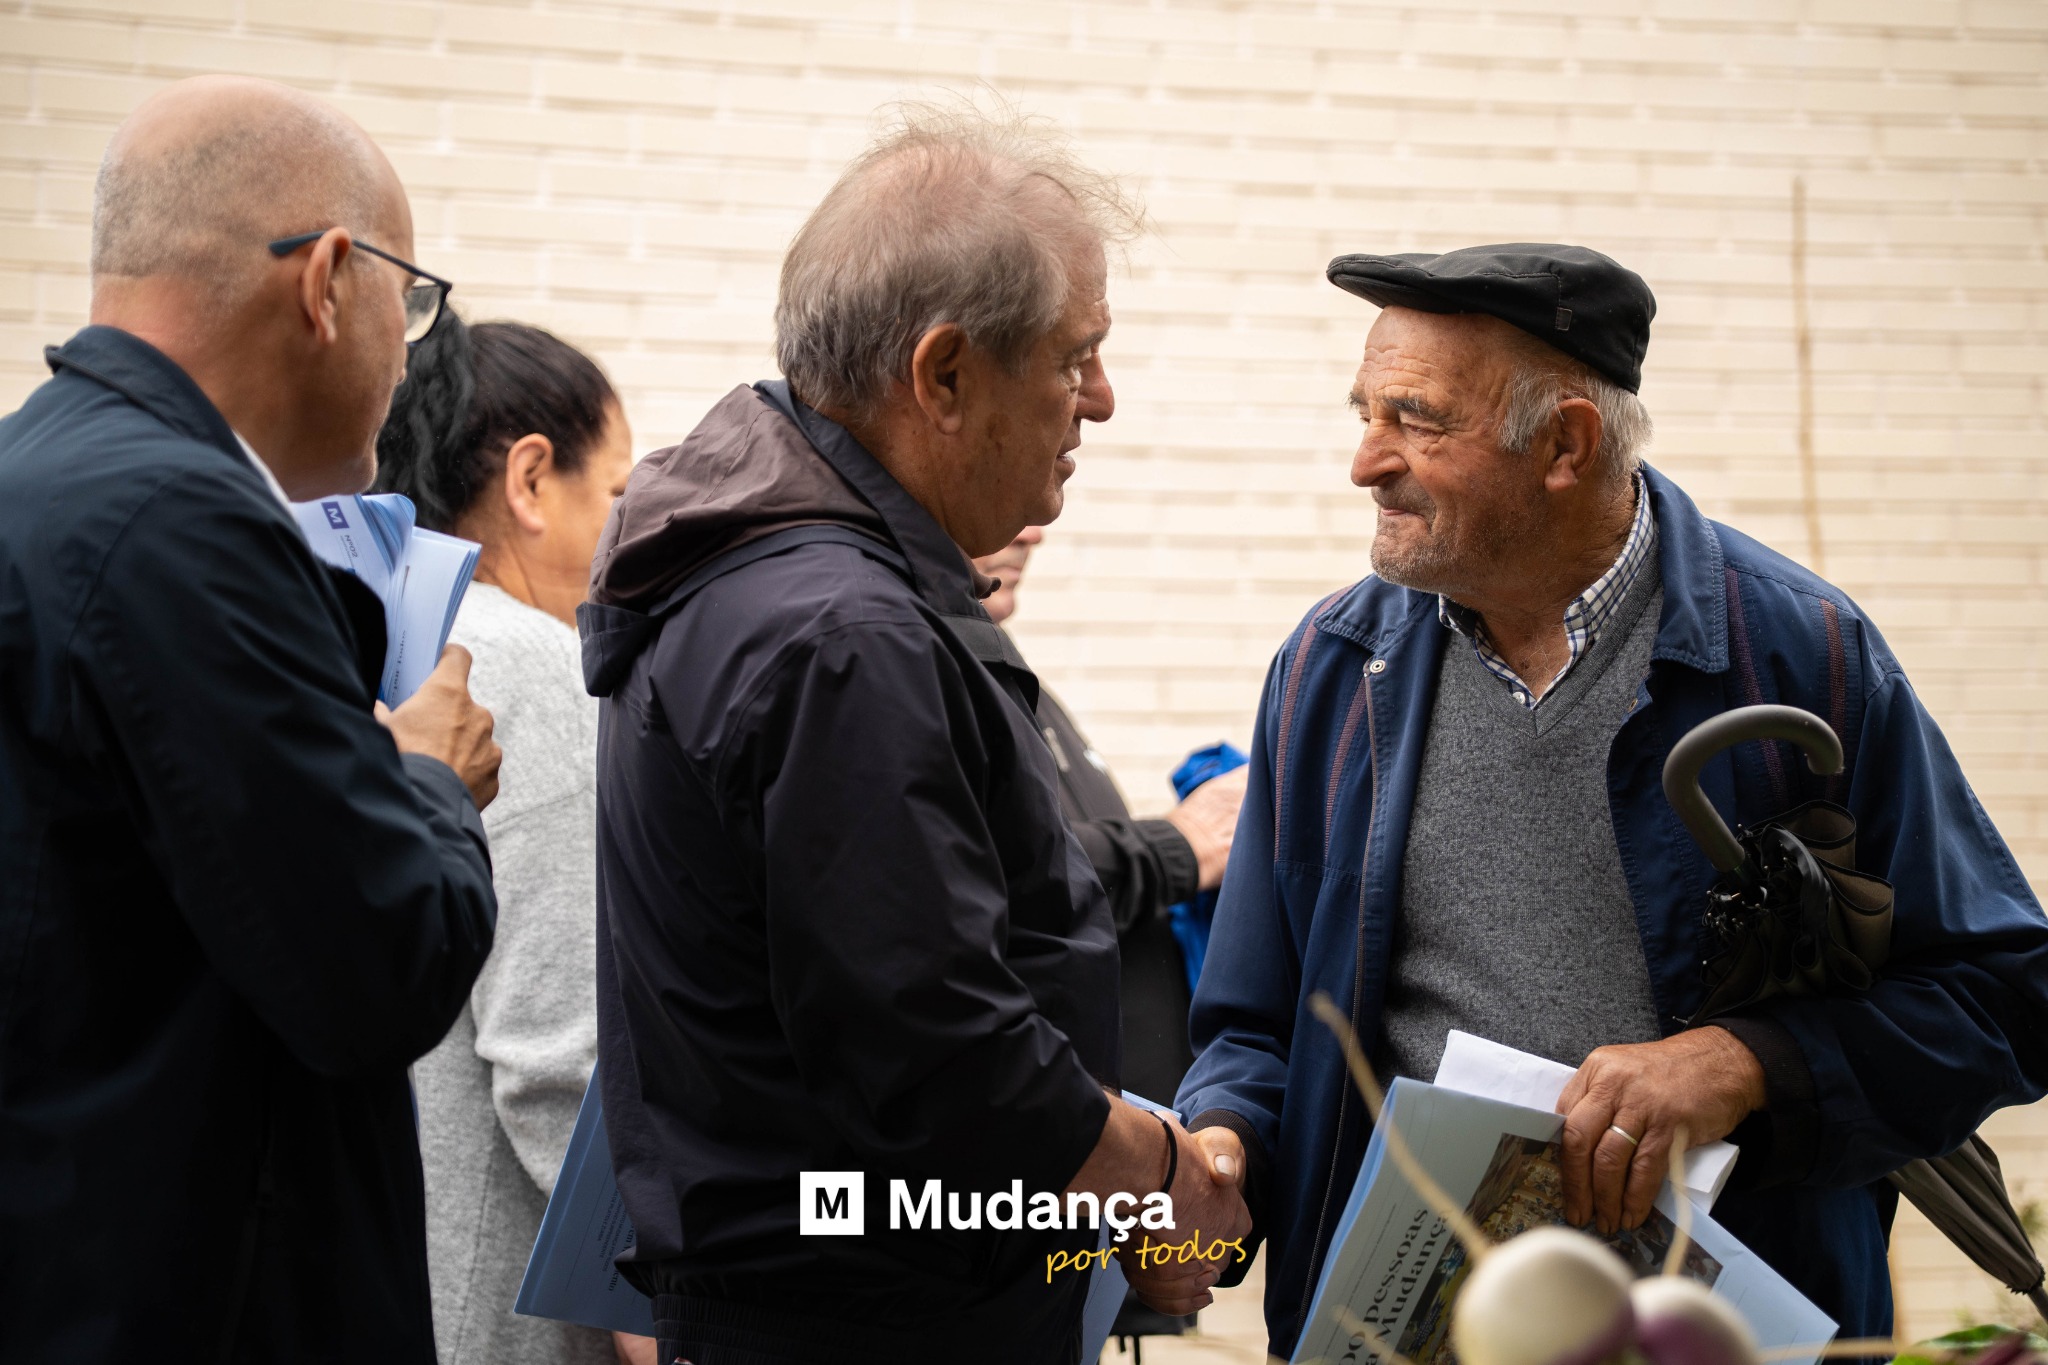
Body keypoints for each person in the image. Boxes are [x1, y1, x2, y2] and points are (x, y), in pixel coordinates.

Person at [1169, 242, 2048, 1352]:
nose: (1364, 462)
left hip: (1716, 1328)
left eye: (1415, 419)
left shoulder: (1798, 655)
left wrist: (1741, 1064)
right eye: (1363, 412)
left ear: (1563, 443)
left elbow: (2003, 995)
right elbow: (1253, 1020)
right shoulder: (1330, 671)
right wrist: (1223, 1143)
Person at [579, 104, 1250, 1365]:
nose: (1099, 400)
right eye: (1073, 356)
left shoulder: (776, 581)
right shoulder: (840, 634)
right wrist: (1152, 1177)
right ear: (942, 375)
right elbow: (938, 1050)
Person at [0, 77, 502, 1362]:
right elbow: (380, 967)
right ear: (331, 279)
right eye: (415, 298)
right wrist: (426, 782)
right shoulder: (185, 529)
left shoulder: (34, 480)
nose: (412, 348)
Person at [373, 315, 650, 1365]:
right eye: (615, 497)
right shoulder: (525, 667)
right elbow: (562, 1058)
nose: (626, 536)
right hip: (498, 1318)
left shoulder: (375, 643)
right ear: (532, 481)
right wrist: (652, 1305)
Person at [976, 525, 1250, 1348]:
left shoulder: (997, 664)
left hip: (1094, 1227)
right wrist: (1173, 846)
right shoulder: (920, 664)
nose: (1029, 528)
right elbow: (998, 881)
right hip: (1015, 1214)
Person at [975, 525, 1247, 1104]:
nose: (1032, 533)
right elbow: (983, 879)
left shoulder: (1014, 677)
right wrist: (1181, 847)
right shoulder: (924, 676)